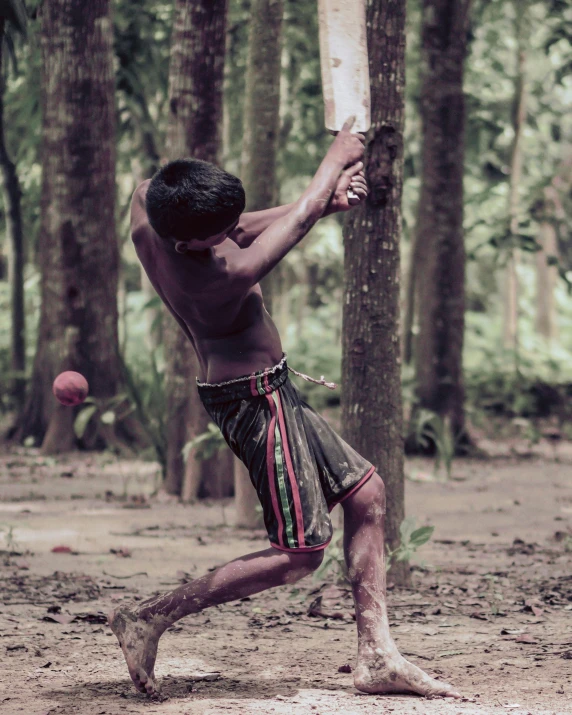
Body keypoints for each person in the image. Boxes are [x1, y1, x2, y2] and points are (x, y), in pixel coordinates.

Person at [109, 118, 460, 700]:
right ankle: (149, 616)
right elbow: (277, 233)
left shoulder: (149, 204)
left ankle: (378, 655)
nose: (227, 237)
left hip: (269, 388)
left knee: (367, 494)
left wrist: (323, 202)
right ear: (189, 245)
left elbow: (240, 226)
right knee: (299, 554)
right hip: (252, 400)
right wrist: (331, 166)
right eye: (214, 236)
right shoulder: (219, 279)